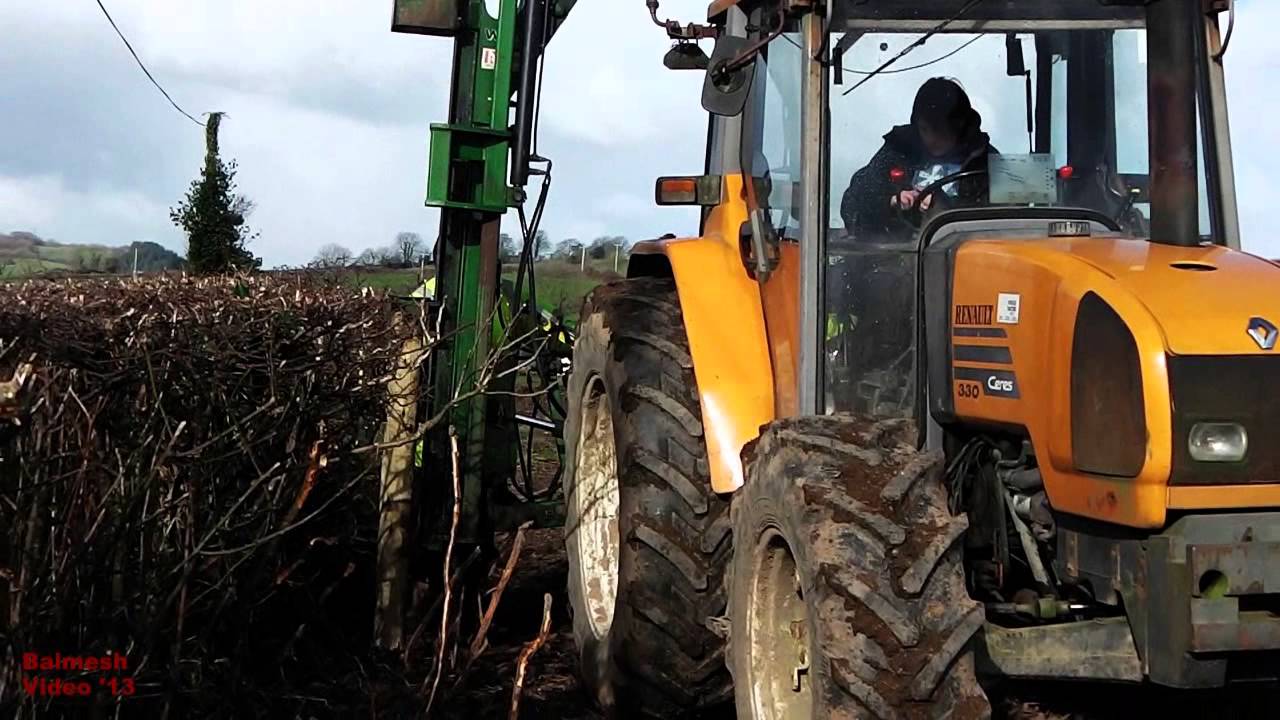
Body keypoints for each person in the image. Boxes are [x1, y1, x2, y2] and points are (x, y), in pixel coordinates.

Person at [840, 77, 996, 239]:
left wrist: (944, 210)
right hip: (896, 252)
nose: (932, 138)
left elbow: (1000, 224)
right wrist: (891, 202)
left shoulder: (985, 163)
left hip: (961, 252)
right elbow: (852, 205)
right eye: (925, 129)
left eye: (939, 129)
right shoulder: (899, 151)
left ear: (959, 124)